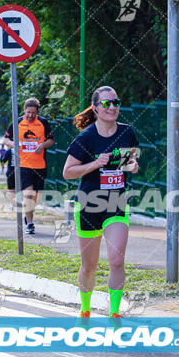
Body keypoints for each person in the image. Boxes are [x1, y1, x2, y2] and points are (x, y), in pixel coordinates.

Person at [62, 86, 139, 320]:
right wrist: (94, 164)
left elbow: (130, 162)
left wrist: (133, 166)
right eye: (107, 104)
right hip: (89, 205)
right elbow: (68, 172)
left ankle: (114, 312)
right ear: (96, 109)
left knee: (116, 260)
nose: (113, 107)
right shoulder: (86, 138)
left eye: (116, 102)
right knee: (90, 266)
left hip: (116, 202)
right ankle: (85, 308)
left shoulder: (127, 132)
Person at [3, 98, 54, 234]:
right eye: (28, 112)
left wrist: (42, 145)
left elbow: (51, 140)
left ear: (37, 112)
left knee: (36, 199)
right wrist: (14, 144)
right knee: (28, 195)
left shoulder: (43, 123)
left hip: (40, 166)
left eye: (33, 113)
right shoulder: (18, 122)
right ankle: (30, 225)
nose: (30, 115)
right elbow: (5, 139)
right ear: (24, 110)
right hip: (23, 166)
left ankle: (28, 215)